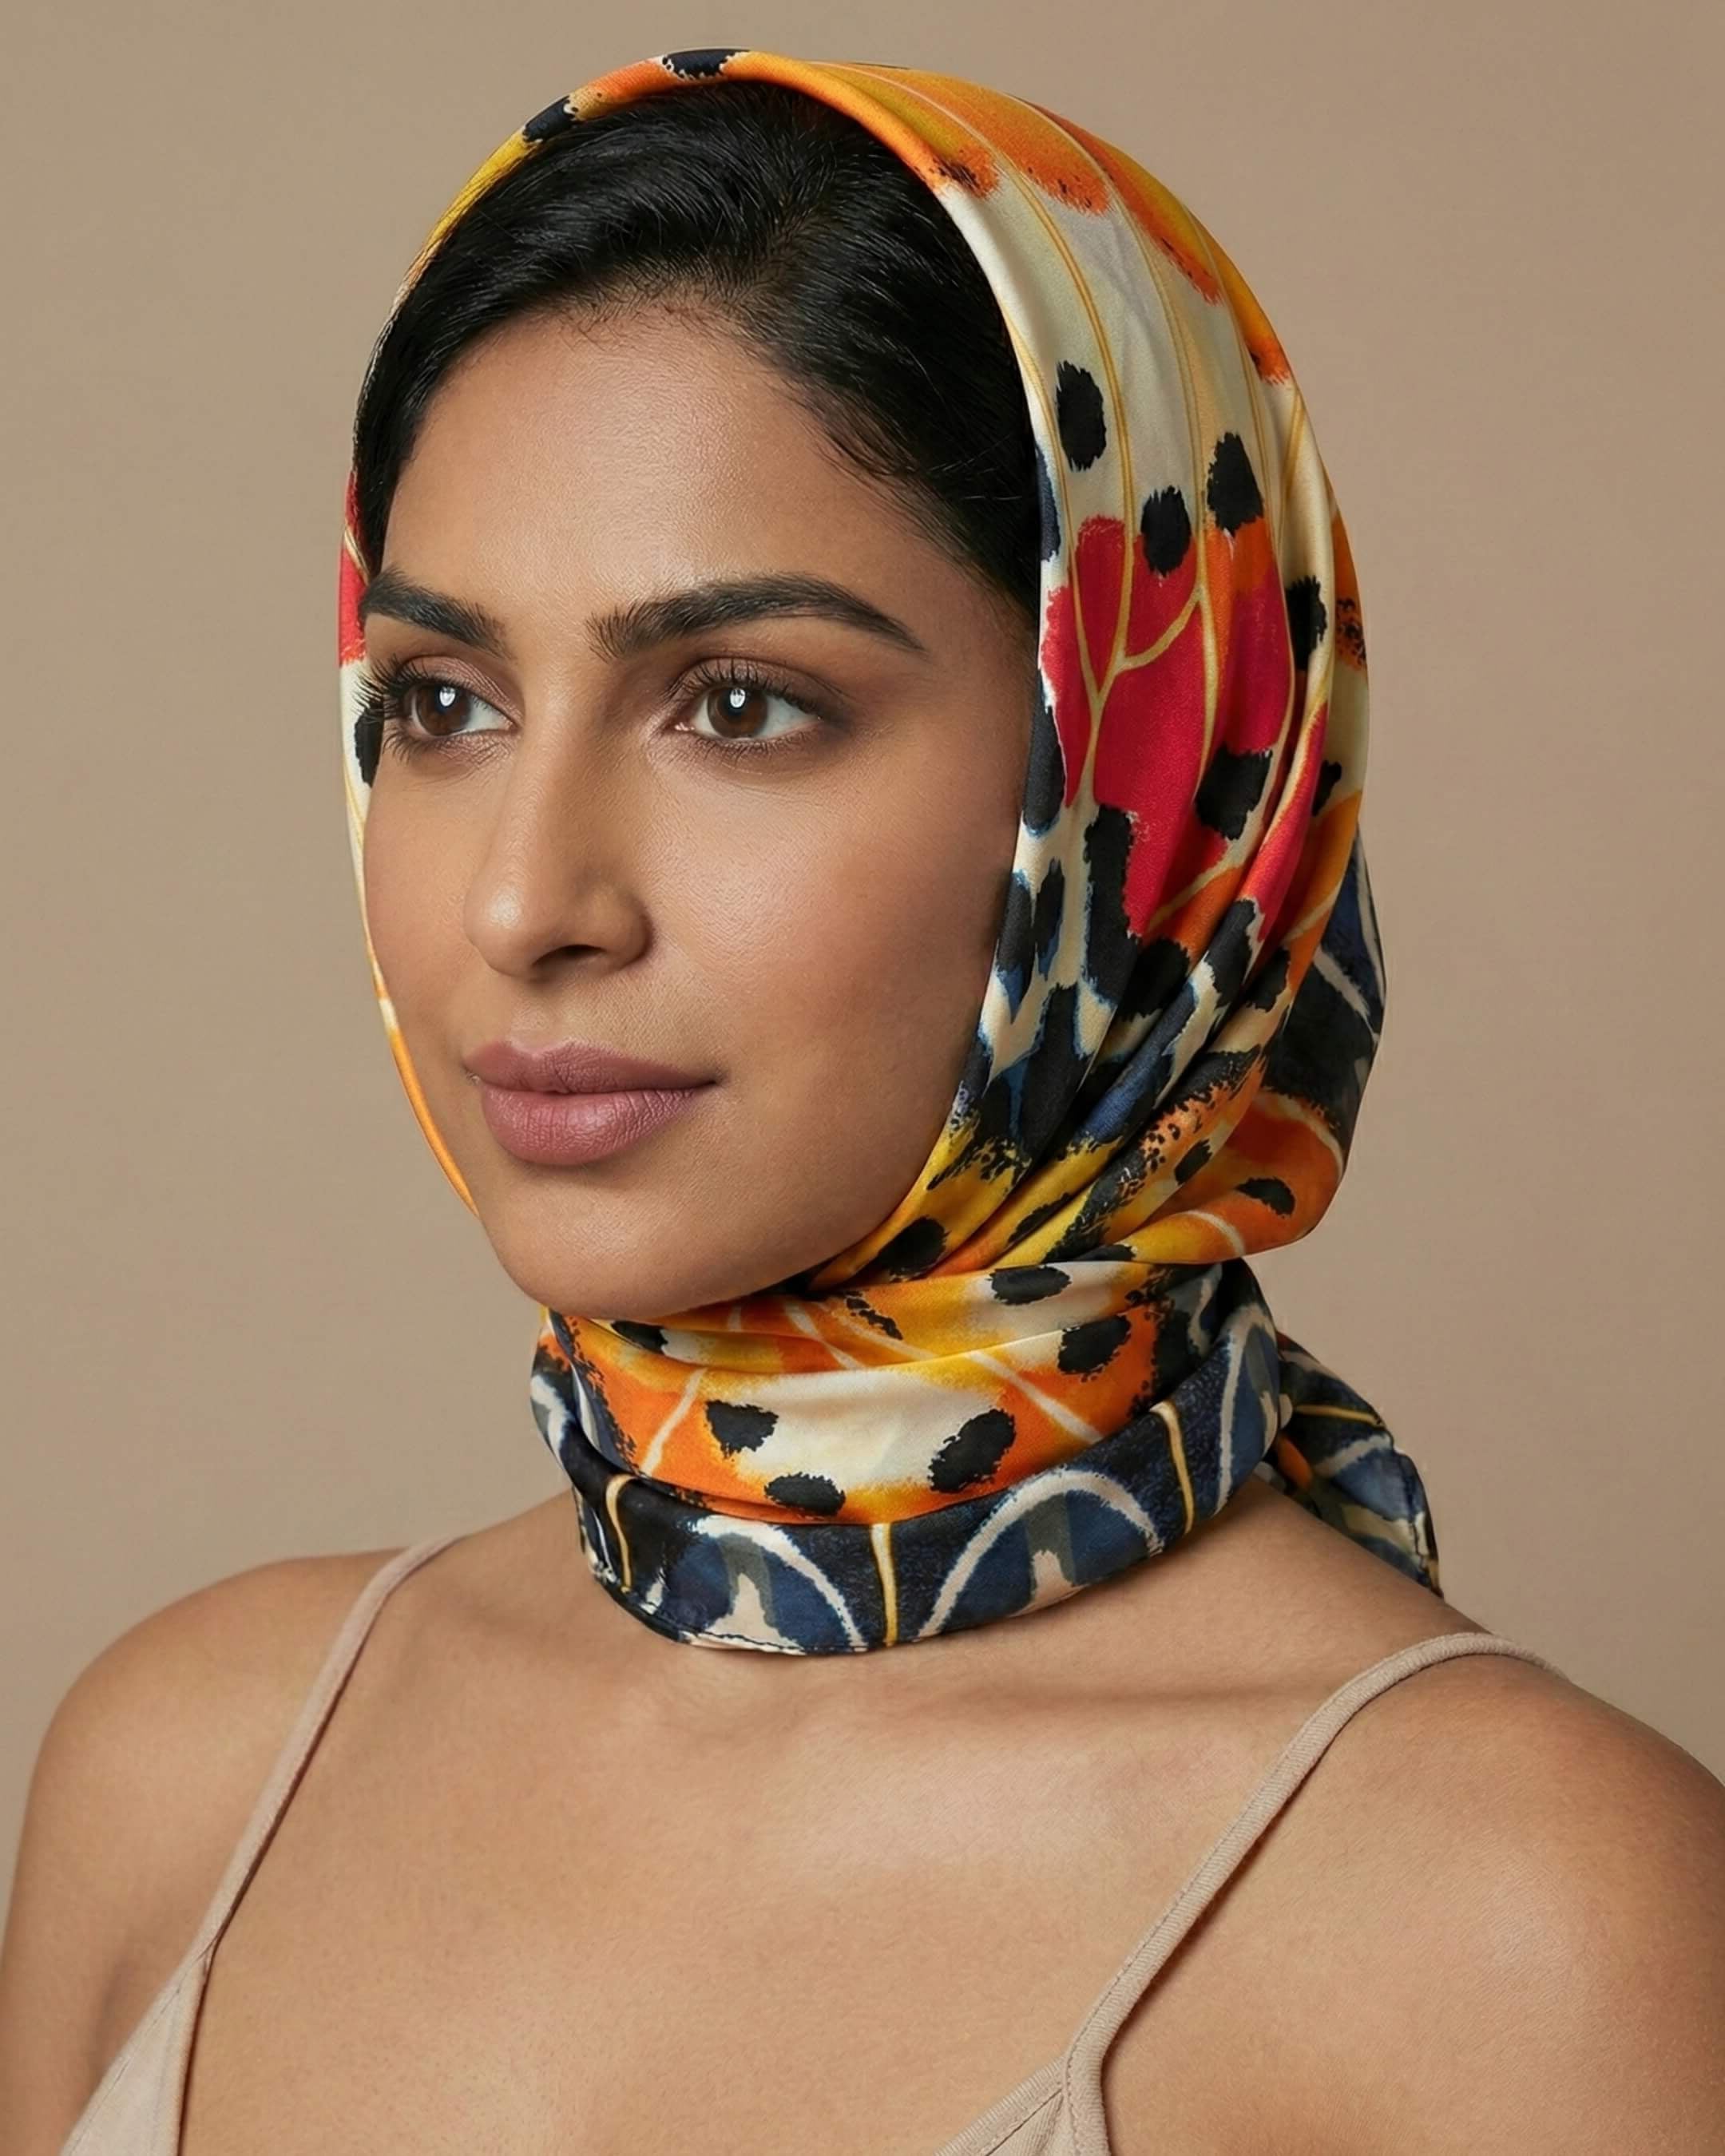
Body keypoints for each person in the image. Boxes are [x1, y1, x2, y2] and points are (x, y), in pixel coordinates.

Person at [4, 48, 1723, 2155]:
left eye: (743, 706)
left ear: (1134, 764)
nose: (527, 896)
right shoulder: (186, 1774)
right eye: (444, 703)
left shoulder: (1516, 1923)